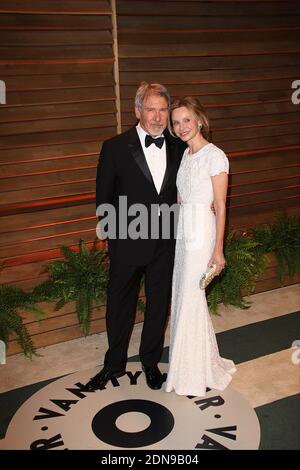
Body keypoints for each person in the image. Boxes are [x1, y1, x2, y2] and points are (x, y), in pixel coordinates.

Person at [85, 82, 185, 391]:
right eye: (151, 109)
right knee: (119, 305)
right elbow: (104, 198)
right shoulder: (115, 146)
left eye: (163, 109)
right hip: (127, 241)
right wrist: (113, 240)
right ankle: (113, 364)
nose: (157, 117)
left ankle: (150, 363)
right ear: (137, 110)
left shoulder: (180, 147)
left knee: (158, 305)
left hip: (165, 241)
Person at [165, 96, 236, 397]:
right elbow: (181, 199)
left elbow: (220, 205)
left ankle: (191, 374)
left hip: (202, 236)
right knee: (183, 297)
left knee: (192, 296)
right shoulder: (186, 155)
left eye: (186, 120)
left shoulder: (215, 156)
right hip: (184, 235)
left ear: (200, 121)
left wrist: (218, 250)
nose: (181, 127)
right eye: (176, 122)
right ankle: (195, 364)